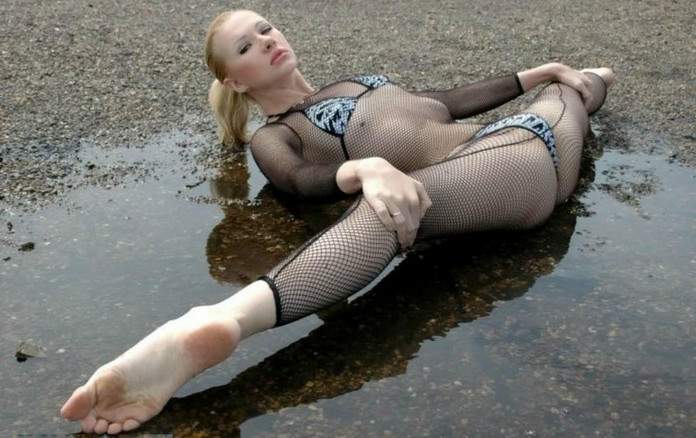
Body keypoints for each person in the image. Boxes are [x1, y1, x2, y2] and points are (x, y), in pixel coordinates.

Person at [60, 9, 616, 435]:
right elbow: (298, 181)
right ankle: (212, 326)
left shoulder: (355, 82)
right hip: (493, 178)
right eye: (246, 46)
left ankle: (590, 82)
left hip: (520, 143)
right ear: (234, 82)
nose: (267, 41)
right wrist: (362, 169)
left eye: (266, 29)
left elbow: (444, 102)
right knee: (390, 208)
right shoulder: (276, 135)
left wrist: (537, 72)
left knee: (567, 89)